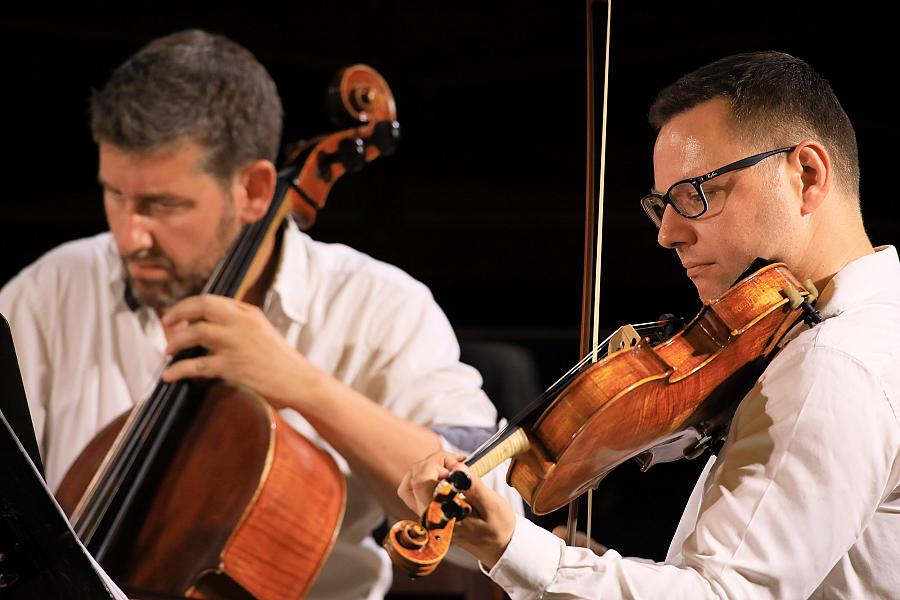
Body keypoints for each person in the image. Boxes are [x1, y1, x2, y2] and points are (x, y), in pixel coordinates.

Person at [0, 29, 521, 599]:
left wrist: (306, 388)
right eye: (116, 196)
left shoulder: (379, 306)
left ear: (253, 188)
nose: (129, 235)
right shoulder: (52, 288)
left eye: (162, 205)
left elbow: (494, 518)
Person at [399, 51, 900, 598]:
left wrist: (512, 548)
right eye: (662, 204)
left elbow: (724, 593)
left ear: (806, 174)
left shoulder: (833, 362)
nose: (668, 233)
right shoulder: (853, 333)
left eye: (696, 194)